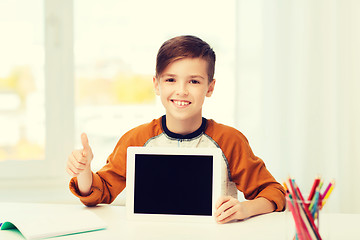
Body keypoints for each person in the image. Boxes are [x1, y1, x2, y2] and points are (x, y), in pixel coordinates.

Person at [66, 35, 285, 224]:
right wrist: (85, 171)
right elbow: (100, 192)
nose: (181, 91)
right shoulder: (136, 138)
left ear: (210, 87)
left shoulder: (229, 140)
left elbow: (274, 193)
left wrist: (245, 209)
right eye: (171, 79)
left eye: (194, 82)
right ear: (156, 84)